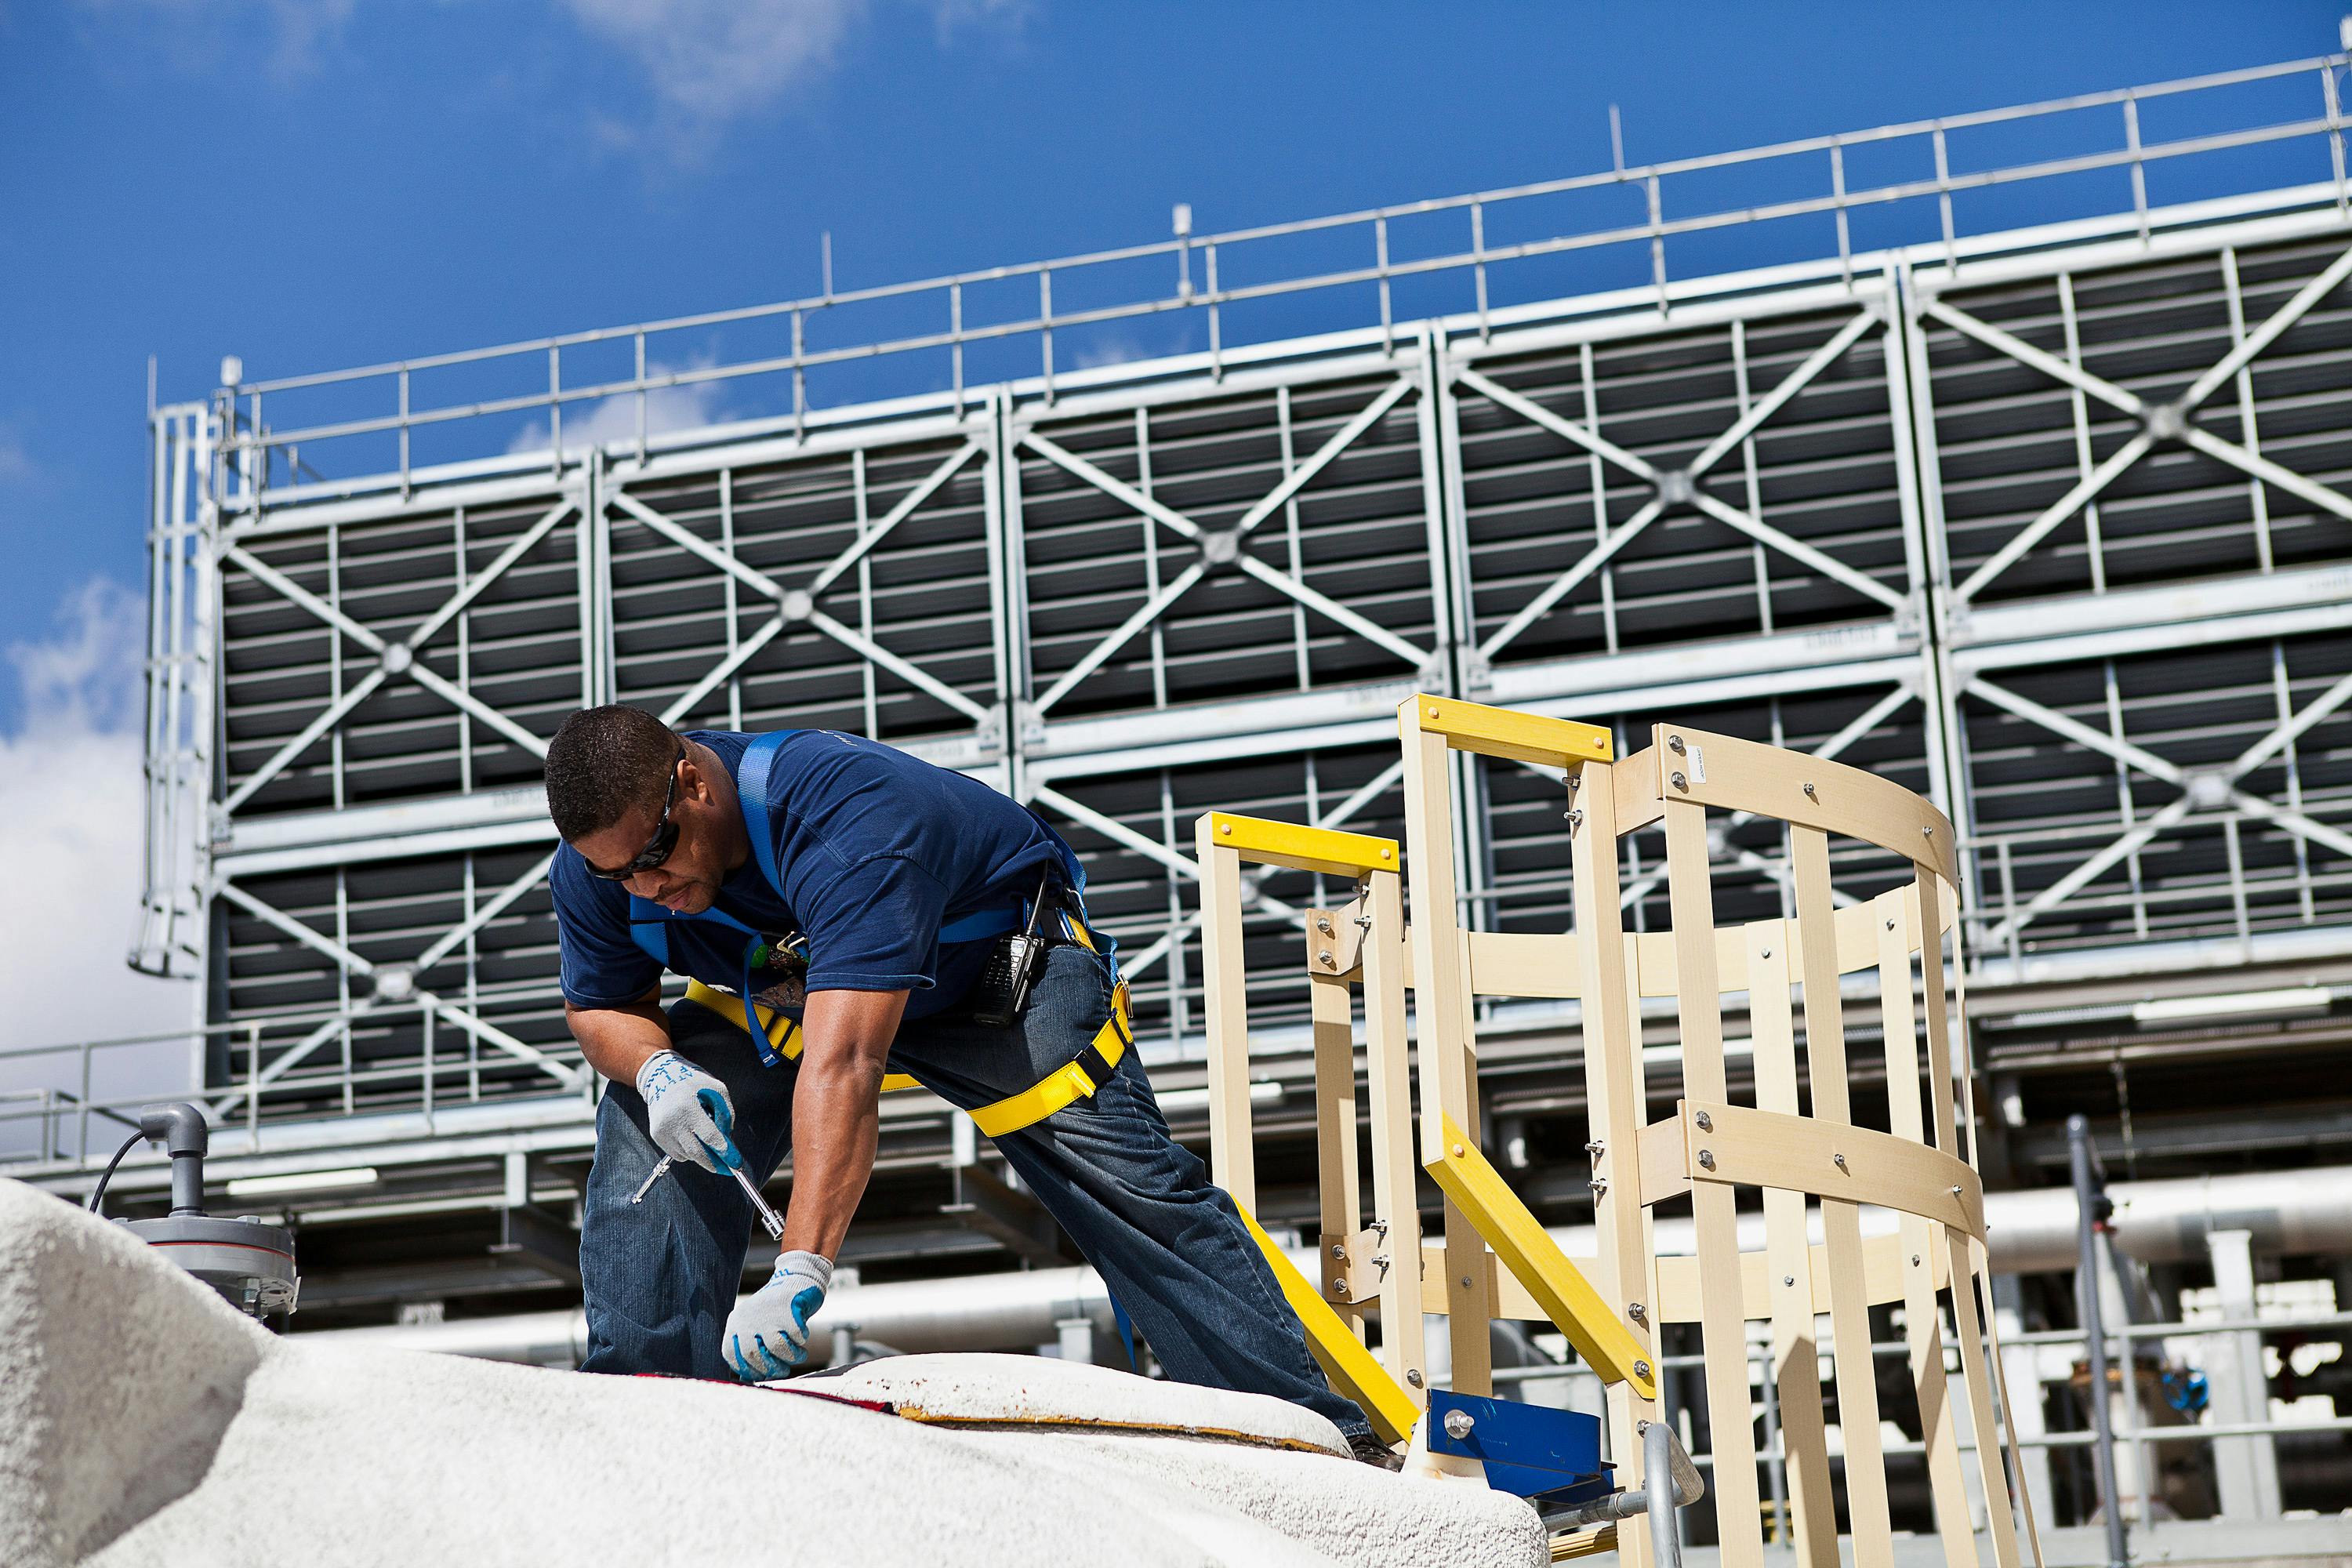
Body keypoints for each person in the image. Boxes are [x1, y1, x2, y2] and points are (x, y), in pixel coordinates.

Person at [542, 705, 1379, 1455]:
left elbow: (847, 1065)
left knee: (1129, 1189)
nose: (645, 887)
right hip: (797, 989)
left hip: (997, 980)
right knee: (649, 1136)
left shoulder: (845, 817)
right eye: (620, 875)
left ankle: (1298, 1439)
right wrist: (656, 1070)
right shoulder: (603, 862)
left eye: (655, 856)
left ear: (692, 782)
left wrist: (800, 1268)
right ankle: (647, 1421)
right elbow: (604, 1005)